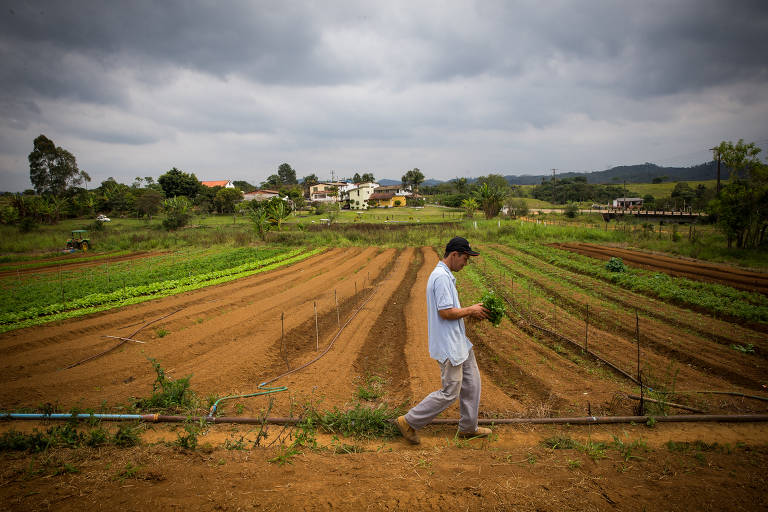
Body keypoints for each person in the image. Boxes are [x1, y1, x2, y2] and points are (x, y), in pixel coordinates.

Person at [396, 236, 491, 444]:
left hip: (459, 342)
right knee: (450, 391)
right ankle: (409, 421)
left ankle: (468, 427)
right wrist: (471, 310)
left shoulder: (446, 276)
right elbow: (446, 312)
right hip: (449, 345)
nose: (466, 264)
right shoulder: (440, 277)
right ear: (454, 255)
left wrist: (471, 311)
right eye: (465, 259)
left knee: (472, 383)